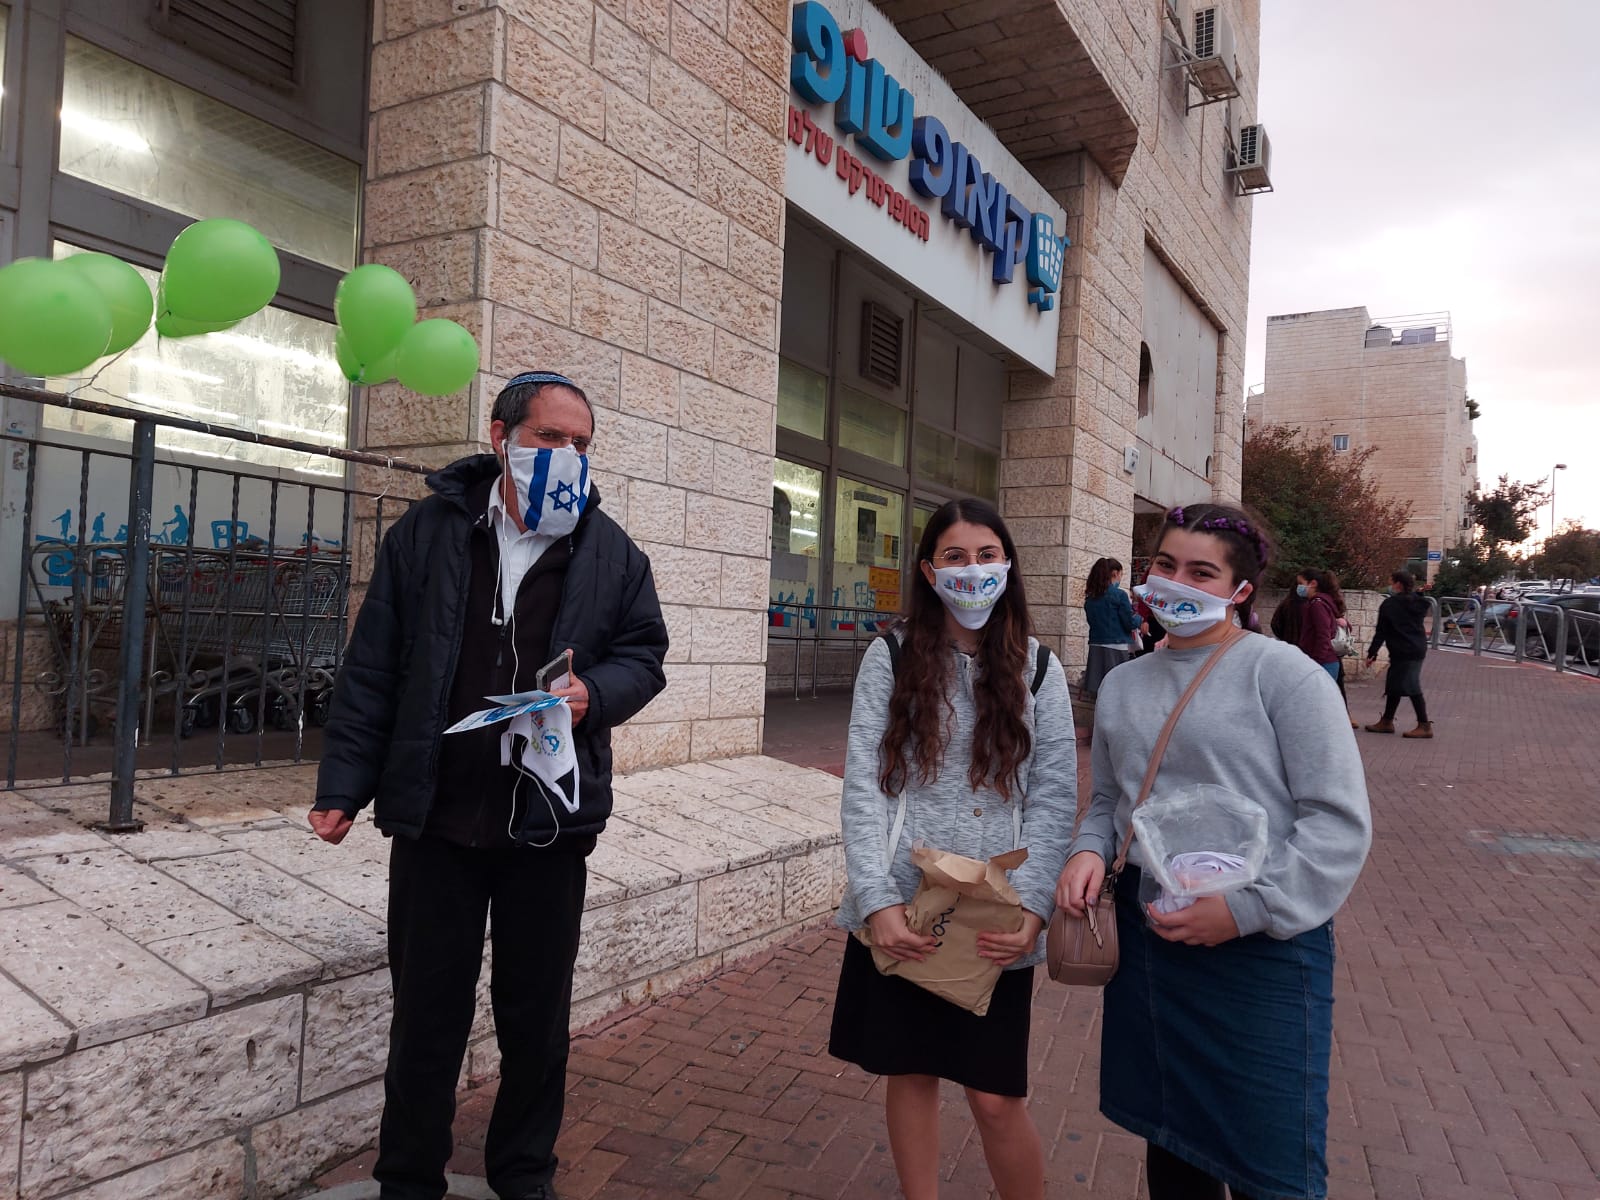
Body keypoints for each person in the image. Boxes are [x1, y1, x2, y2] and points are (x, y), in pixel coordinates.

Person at [308, 371, 669, 1200]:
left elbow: (644, 656)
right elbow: (373, 669)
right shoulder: (427, 533)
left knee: (535, 1022)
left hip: (547, 825)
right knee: (426, 1018)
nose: (568, 457)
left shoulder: (612, 551)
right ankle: (407, 1179)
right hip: (438, 819)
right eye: (550, 439)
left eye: (582, 445)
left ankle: (522, 1175)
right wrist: (344, 785)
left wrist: (595, 695)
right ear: (501, 437)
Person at [1055, 503, 1372, 1200]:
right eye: (1165, 565)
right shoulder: (1126, 683)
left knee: (1275, 1164)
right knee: (1174, 1141)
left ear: (1240, 591)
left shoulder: (1284, 676)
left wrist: (1244, 911)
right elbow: (1111, 799)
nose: (1176, 582)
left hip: (1263, 948)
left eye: (1202, 572)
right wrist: (1087, 850)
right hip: (1152, 939)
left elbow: (1337, 821)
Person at [830, 498, 1077, 1200]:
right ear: (929, 571)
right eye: (956, 558)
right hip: (908, 904)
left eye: (987, 556)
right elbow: (865, 786)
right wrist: (876, 899)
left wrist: (1034, 908)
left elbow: (1055, 797)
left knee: (997, 1095)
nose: (973, 571)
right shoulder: (892, 655)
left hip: (996, 913)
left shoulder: (1040, 670)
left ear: (1009, 565)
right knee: (910, 1073)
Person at [1365, 569, 1433, 738]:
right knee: (1394, 685)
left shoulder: (1390, 605)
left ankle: (1424, 725)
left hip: (1403, 649)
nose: (1390, 584)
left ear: (1398, 584)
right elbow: (1415, 600)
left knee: (1411, 685)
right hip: (1416, 647)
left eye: (1392, 581)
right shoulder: (1417, 602)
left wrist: (1372, 652)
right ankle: (1387, 721)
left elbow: (1381, 631)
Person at [1083, 556, 1144, 697]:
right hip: (1116, 647)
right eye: (1121, 575)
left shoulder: (1091, 598)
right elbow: (1129, 623)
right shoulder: (1120, 595)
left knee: (1098, 692)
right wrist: (1140, 619)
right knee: (1116, 690)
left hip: (1096, 645)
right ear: (1115, 573)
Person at [1292, 569, 1342, 684]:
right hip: (1326, 661)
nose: (1298, 588)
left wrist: (1316, 662)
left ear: (1313, 584)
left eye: (1301, 583)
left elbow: (1323, 634)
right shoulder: (1323, 602)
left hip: (1323, 663)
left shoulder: (1317, 605)